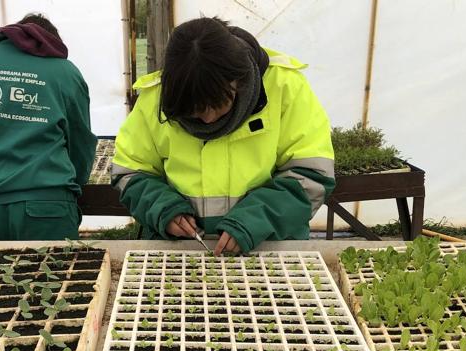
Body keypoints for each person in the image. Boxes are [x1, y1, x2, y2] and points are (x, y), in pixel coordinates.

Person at [111, 17, 335, 256]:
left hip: (269, 246)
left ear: (237, 81)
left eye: (215, 105)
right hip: (181, 252)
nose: (208, 120)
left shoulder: (285, 86)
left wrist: (254, 221)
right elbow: (130, 173)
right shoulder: (156, 96)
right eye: (195, 111)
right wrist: (164, 209)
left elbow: (311, 177)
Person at [0, 13, 96, 241]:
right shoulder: (65, 72)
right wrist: (74, 183)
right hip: (47, 203)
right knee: (53, 275)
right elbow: (80, 143)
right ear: (49, 42)